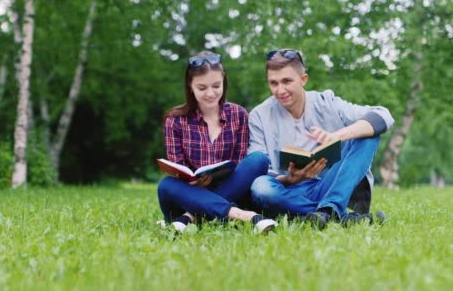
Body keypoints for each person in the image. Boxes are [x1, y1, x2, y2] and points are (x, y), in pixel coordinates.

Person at [248, 49, 394, 229]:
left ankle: (328, 210)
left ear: (303, 80)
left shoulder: (326, 101)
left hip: (330, 186)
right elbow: (256, 172)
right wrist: (291, 179)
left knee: (368, 133)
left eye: (287, 81)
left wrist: (336, 136)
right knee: (260, 186)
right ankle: (336, 215)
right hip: (286, 192)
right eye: (273, 83)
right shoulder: (258, 115)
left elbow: (383, 115)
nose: (280, 90)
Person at [157, 50, 277, 234]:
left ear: (224, 82)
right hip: (189, 195)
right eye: (202, 88)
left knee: (258, 160)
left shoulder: (239, 115)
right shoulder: (175, 120)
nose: (211, 93)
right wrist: (194, 183)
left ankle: (190, 218)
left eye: (216, 86)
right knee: (166, 185)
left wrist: (217, 178)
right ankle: (246, 216)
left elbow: (238, 165)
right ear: (190, 86)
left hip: (229, 188)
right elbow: (178, 170)